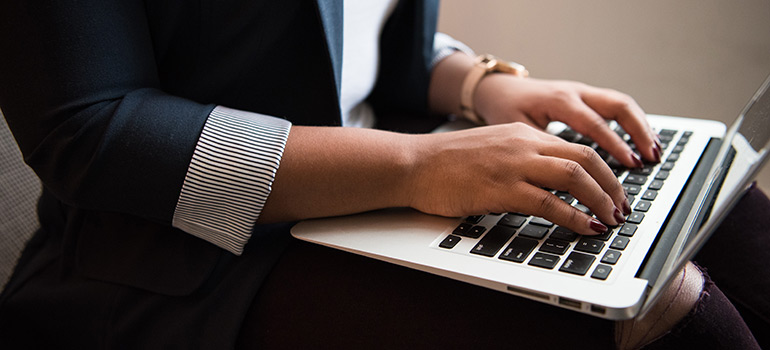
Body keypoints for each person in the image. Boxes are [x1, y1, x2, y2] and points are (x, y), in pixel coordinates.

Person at [0, 0, 766, 348]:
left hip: (381, 187)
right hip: (172, 259)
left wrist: (481, 85)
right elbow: (88, 128)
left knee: (726, 214)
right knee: (662, 307)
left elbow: (350, 34)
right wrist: (417, 164)